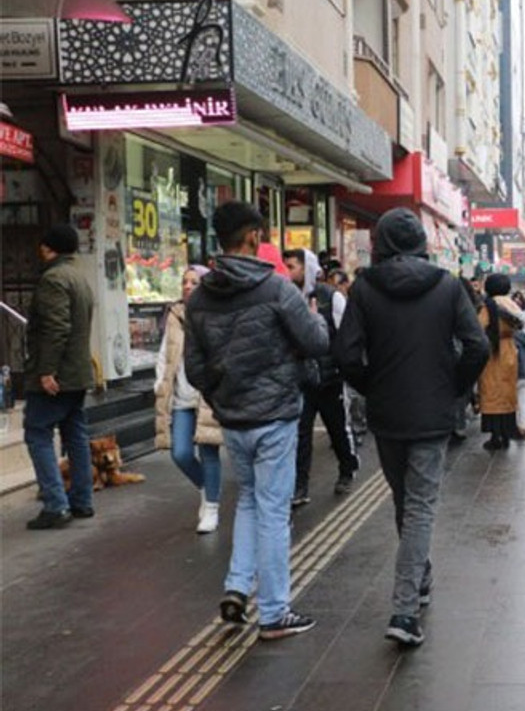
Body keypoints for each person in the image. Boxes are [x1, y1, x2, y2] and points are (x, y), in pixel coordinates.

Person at [335, 208, 488, 647]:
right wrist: (455, 389)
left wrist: (371, 387)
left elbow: (345, 355)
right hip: (433, 413)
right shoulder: (447, 286)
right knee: (418, 506)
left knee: (407, 502)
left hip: (387, 416)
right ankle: (405, 611)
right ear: (421, 242)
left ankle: (414, 589)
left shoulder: (364, 288)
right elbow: (476, 345)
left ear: (382, 244)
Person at [185, 201, 330, 641]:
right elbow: (317, 342)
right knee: (271, 510)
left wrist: (222, 393)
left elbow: (195, 368)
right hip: (276, 417)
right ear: (252, 237)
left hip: (233, 419)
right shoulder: (277, 289)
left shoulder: (201, 297)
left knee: (249, 500)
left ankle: (236, 587)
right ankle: (273, 611)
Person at [24, 223, 95, 530]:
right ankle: (82, 500)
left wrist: (46, 370)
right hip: (78, 372)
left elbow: (57, 327)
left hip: (58, 374)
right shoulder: (80, 276)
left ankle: (56, 504)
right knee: (75, 432)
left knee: (37, 431)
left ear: (48, 247)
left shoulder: (53, 279)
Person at [283, 249, 360, 503]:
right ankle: (299, 486)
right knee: (301, 433)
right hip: (302, 380)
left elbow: (347, 334)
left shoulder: (331, 297)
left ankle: (347, 469)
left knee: (337, 429)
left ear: (306, 268)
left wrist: (342, 368)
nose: (288, 271)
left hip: (329, 379)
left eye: (292, 266)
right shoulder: (287, 298)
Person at [154, 265, 224, 534]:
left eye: (194, 282)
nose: (187, 286)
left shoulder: (215, 314)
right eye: (184, 281)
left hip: (206, 396)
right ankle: (207, 488)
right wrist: (160, 384)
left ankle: (212, 508)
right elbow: (165, 353)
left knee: (209, 452)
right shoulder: (174, 314)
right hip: (181, 396)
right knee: (180, 453)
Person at [476, 274, 525, 451]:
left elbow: (479, 328)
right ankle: (508, 431)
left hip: (493, 351)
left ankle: (495, 435)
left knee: (491, 392)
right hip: (509, 350)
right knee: (507, 393)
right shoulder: (512, 304)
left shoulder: (488, 306)